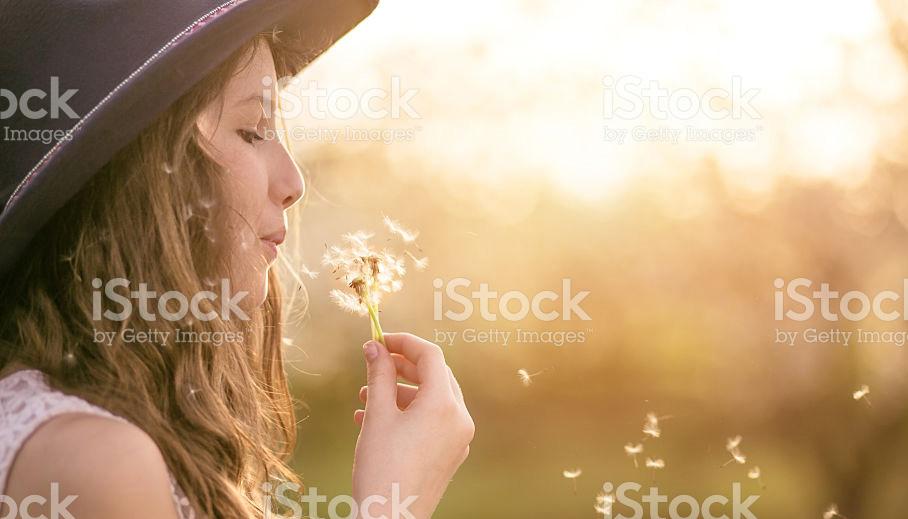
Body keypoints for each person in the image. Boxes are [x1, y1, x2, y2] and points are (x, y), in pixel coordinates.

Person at [0, 2, 474, 518]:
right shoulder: (95, 463)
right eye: (252, 131)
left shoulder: (100, 430)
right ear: (145, 172)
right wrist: (393, 504)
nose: (294, 183)